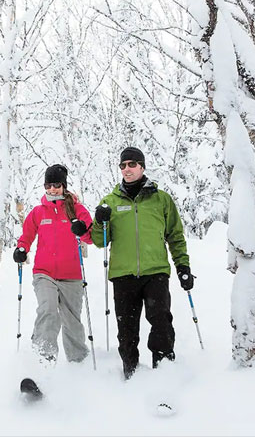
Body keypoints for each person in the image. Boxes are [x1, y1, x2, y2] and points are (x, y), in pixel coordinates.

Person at [91, 147, 195, 380]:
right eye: (123, 165)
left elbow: (175, 236)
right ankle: (132, 374)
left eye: (132, 164)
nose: (127, 169)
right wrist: (99, 221)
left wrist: (183, 267)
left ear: (142, 167)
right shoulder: (110, 202)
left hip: (155, 271)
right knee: (127, 332)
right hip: (123, 274)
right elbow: (100, 241)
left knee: (161, 323)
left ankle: (165, 371)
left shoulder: (161, 199)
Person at [13, 164, 93, 364]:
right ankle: (43, 360)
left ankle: (78, 363)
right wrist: (21, 249)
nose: (52, 189)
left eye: (56, 184)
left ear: (64, 185)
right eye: (48, 185)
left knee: (72, 321)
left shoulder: (77, 210)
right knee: (48, 310)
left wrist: (81, 229)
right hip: (44, 272)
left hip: (72, 274)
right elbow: (27, 235)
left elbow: (91, 237)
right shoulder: (39, 212)